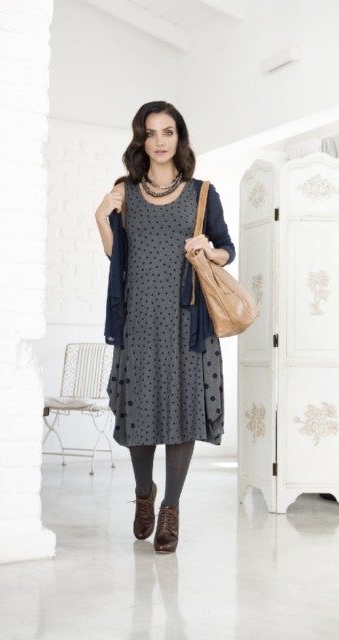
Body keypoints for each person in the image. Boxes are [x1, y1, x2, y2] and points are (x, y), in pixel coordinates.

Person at [95, 101, 235, 553]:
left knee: (182, 412)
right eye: (151, 132)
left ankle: (170, 508)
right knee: (139, 409)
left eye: (168, 132)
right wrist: (101, 217)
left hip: (187, 319)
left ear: (179, 137)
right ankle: (144, 494)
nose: (159, 141)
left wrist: (208, 249)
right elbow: (116, 255)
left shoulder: (202, 193)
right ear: (141, 139)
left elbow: (226, 249)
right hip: (138, 318)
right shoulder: (126, 191)